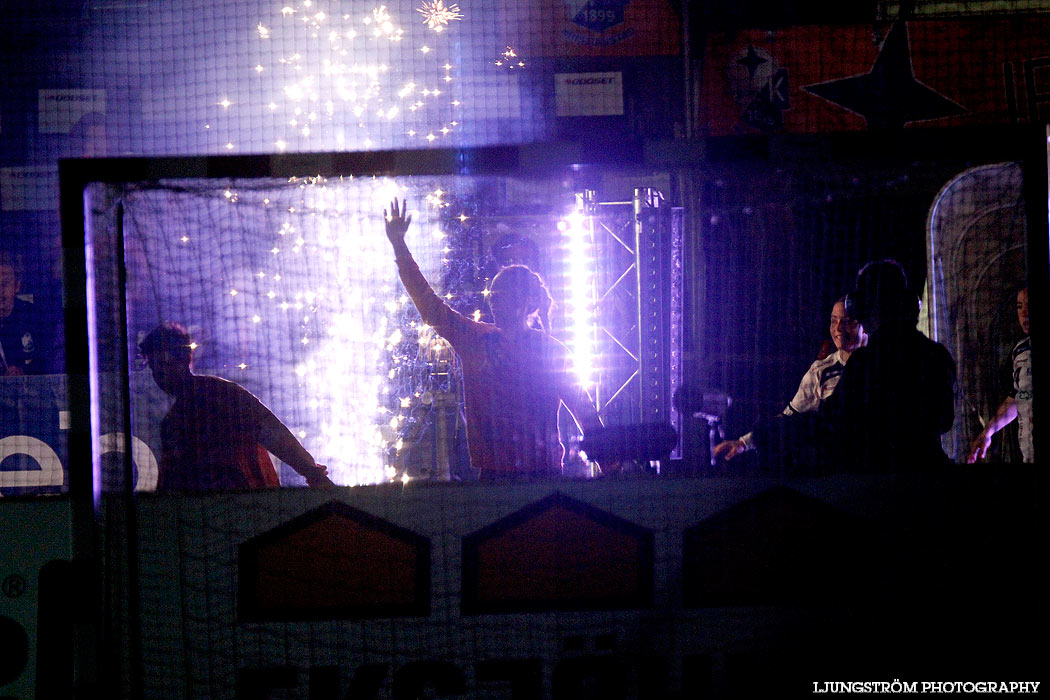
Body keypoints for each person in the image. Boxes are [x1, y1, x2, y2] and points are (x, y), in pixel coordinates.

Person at [383, 198, 602, 478]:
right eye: (494, 297)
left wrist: (613, 465)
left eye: (503, 297)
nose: (494, 304)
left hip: (530, 475)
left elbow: (583, 410)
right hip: (517, 474)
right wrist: (399, 246)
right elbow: (429, 306)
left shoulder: (498, 344)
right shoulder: (484, 340)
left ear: (524, 303)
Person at [139, 322, 331, 491]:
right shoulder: (174, 421)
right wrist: (312, 473)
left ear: (184, 359)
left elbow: (271, 431)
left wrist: (312, 473)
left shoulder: (220, 396)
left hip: (245, 508)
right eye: (155, 368)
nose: (159, 375)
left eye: (163, 365)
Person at [823, 260, 956, 469]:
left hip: (878, 483)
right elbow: (945, 419)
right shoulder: (937, 355)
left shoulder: (864, 364)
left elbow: (830, 420)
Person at [713, 297, 867, 461]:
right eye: (833, 321)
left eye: (848, 322)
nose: (838, 328)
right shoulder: (820, 370)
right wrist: (744, 443)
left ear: (866, 324)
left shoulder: (881, 364)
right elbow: (791, 416)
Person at [967, 287, 1032, 463]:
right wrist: (987, 432)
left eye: (1028, 305)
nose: (1023, 313)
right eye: (1019, 306)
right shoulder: (1020, 350)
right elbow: (1017, 397)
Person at [0, 250, 57, 376]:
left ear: (17, 286)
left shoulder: (36, 317)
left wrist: (24, 372)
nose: (0, 291)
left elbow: (48, 360)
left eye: (5, 283)